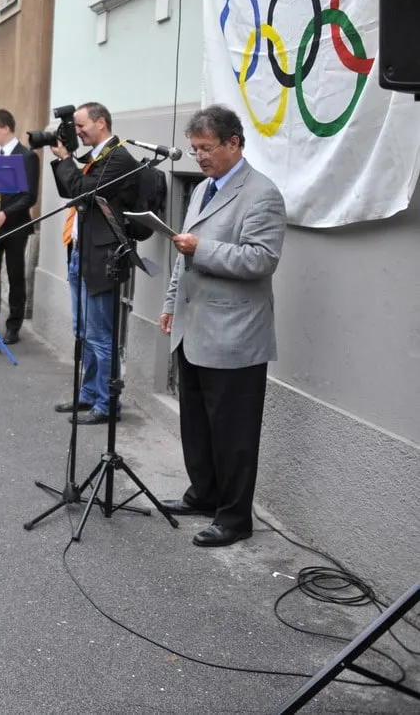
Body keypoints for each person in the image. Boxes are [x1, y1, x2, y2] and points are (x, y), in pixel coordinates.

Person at [159, 105, 286, 548]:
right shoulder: (203, 190)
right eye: (194, 150)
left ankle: (234, 518)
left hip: (234, 335)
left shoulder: (262, 194)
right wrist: (171, 303)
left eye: (206, 148)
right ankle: (204, 494)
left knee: (233, 433)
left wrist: (203, 249)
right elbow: (183, 254)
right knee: (196, 423)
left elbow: (261, 259)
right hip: (194, 326)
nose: (199, 157)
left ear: (234, 143)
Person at [49, 102, 139, 425]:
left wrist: (66, 161)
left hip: (103, 259)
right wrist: (66, 159)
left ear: (101, 123)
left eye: (81, 125)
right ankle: (88, 395)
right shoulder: (93, 157)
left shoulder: (118, 158)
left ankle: (107, 404)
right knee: (84, 332)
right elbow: (68, 190)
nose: (77, 131)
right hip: (80, 252)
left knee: (102, 336)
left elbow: (84, 190)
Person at [0, 109, 40, 345]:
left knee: (15, 276)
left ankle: (13, 325)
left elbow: (29, 197)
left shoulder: (27, 156)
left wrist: (5, 214)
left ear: (5, 128)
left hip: (13, 227)